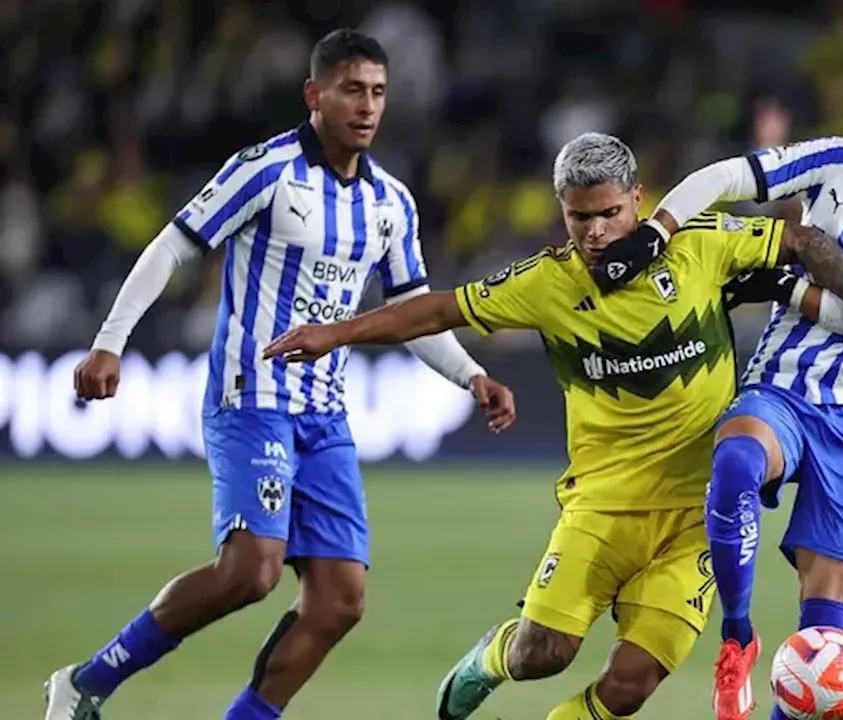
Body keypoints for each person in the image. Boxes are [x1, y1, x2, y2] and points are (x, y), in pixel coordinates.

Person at [260, 132, 843, 720]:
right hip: (601, 508)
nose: (595, 233)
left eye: (609, 214)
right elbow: (437, 311)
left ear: (639, 201)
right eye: (579, 218)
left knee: (628, 688)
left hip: (695, 518)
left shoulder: (700, 243)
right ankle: (493, 656)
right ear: (561, 211)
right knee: (543, 654)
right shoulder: (547, 283)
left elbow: (803, 242)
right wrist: (336, 334)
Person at [45, 29, 515, 720]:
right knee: (251, 573)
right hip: (251, 399)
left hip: (325, 417)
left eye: (378, 92)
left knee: (339, 600)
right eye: (351, 89)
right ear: (314, 95)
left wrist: (471, 376)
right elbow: (174, 246)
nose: (367, 106)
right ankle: (88, 680)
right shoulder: (262, 171)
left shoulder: (391, 202)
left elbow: (409, 308)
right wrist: (109, 343)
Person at [599, 71, 843, 720]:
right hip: (781, 384)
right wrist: (657, 231)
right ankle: (738, 639)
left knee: (824, 650)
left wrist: (782, 284)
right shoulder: (838, 161)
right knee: (735, 462)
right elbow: (724, 178)